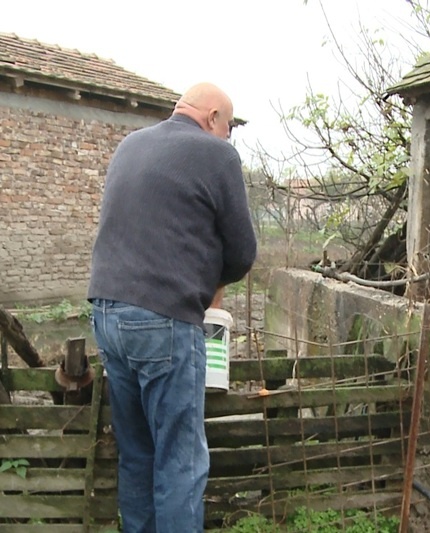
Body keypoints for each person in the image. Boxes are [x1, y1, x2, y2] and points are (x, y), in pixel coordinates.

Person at [88, 82, 257, 532]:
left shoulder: (131, 144)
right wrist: (212, 284)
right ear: (213, 117)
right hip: (162, 318)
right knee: (180, 459)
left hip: (106, 313)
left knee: (137, 453)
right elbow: (242, 253)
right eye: (228, 127)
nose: (228, 136)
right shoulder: (218, 155)